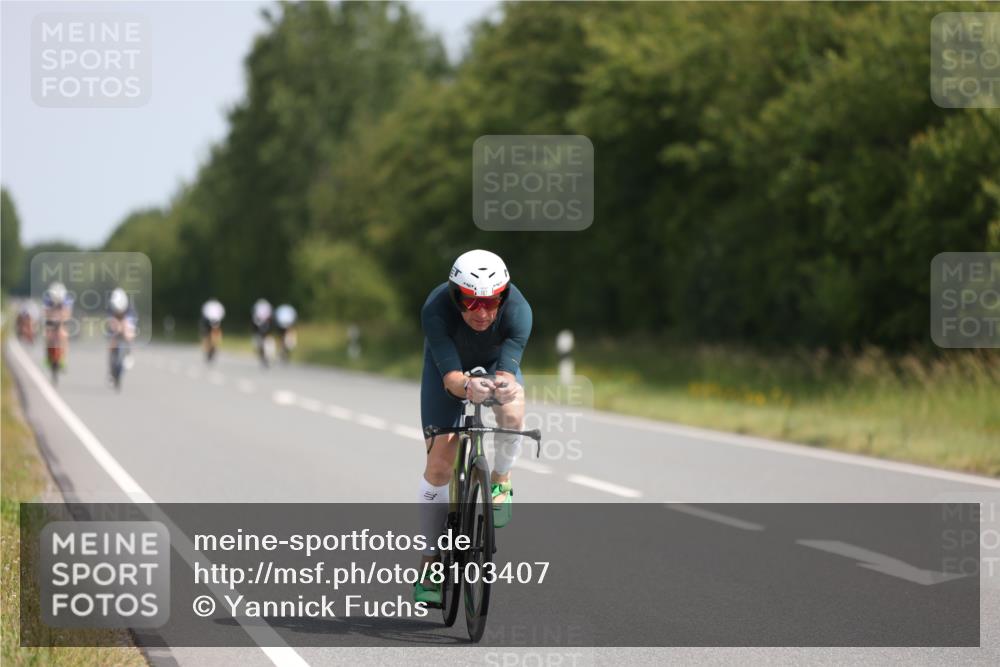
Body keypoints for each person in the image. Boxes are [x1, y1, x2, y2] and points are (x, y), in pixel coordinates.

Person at [413, 249, 532, 604]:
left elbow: (508, 374)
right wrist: (465, 386)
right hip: (447, 371)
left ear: (504, 296)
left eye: (491, 302)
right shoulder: (435, 308)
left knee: (512, 413)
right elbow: (450, 378)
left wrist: (505, 386)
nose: (482, 312)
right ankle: (431, 561)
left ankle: (502, 478)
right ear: (455, 296)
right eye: (470, 302)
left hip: (494, 365)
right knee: (438, 466)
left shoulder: (519, 311)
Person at [106, 287, 137, 389]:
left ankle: (129, 353)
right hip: (114, 324)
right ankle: (111, 370)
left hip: (126, 322)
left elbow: (130, 325)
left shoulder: (130, 309)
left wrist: (125, 330)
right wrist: (116, 328)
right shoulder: (111, 308)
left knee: (128, 335)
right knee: (112, 342)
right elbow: (111, 323)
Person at [42, 282, 74, 377]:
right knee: (47, 335)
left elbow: (68, 313)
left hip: (61, 320)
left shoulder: (67, 299)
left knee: (64, 335)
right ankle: (48, 355)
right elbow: (45, 312)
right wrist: (49, 319)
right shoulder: (47, 299)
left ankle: (63, 359)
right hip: (51, 319)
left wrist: (63, 319)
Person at [251, 298, 275, 367]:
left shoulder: (264, 314)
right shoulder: (260, 314)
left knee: (265, 342)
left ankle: (266, 356)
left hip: (265, 329)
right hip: (261, 329)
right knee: (261, 343)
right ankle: (264, 356)